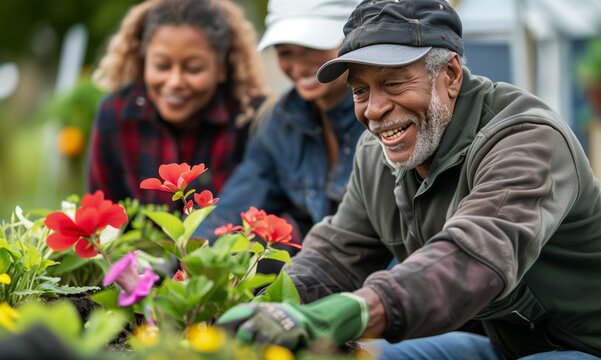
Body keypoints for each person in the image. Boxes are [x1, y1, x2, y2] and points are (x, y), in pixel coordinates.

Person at [216, 0, 601, 359]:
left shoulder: (526, 139)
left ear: (449, 74)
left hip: (581, 345)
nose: (375, 110)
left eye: (394, 84)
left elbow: (472, 257)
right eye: (361, 90)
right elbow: (337, 254)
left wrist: (351, 311)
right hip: (502, 345)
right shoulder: (376, 155)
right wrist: (262, 305)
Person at [193, 0, 365, 253]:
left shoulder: (383, 115)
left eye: (312, 47)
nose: (298, 66)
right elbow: (240, 200)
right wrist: (185, 258)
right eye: (285, 52)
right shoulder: (281, 122)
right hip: (321, 272)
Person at [87, 0, 266, 213]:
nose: (175, 82)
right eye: (162, 66)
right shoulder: (114, 115)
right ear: (143, 61)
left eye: (193, 69)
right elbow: (102, 212)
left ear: (221, 68)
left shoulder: (252, 119)